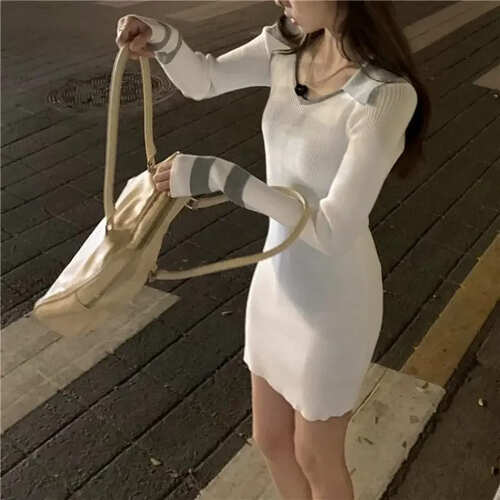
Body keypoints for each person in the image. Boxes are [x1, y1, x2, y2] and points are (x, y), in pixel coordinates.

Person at [115, 2, 430, 499]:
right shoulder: (286, 47)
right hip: (276, 281)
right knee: (271, 440)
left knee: (315, 455)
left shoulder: (386, 95)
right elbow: (204, 79)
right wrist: (162, 38)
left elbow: (332, 230)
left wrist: (224, 178)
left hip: (334, 302)